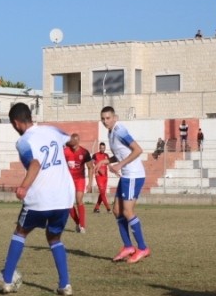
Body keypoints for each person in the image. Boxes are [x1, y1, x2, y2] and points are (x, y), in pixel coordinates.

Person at [0, 103, 75, 296]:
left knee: (21, 231)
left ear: (17, 123)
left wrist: (23, 187)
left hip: (40, 197)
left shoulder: (24, 141)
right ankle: (65, 285)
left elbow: (35, 164)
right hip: (64, 197)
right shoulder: (51, 130)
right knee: (54, 238)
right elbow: (73, 140)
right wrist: (70, 145)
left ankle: (7, 280)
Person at [94, 106, 150, 264]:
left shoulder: (119, 131)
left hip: (134, 175)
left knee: (127, 211)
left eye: (108, 118)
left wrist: (119, 165)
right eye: (103, 118)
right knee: (117, 210)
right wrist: (106, 160)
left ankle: (143, 248)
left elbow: (137, 150)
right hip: (126, 175)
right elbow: (121, 153)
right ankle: (128, 246)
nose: (105, 121)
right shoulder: (111, 131)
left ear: (115, 117)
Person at [63, 133, 94, 233]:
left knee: (79, 200)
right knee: (68, 203)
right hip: (68, 180)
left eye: (74, 143)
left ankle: (83, 226)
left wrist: (90, 183)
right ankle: (77, 223)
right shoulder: (65, 151)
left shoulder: (84, 152)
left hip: (80, 179)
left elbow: (90, 167)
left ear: (78, 141)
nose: (73, 146)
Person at [92, 142, 112, 213]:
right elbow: (92, 164)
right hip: (99, 177)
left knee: (102, 193)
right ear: (99, 148)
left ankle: (96, 208)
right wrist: (97, 170)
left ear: (105, 148)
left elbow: (109, 164)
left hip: (105, 176)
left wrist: (114, 170)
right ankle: (108, 208)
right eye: (101, 148)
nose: (102, 149)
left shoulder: (106, 155)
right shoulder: (95, 155)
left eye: (103, 148)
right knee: (103, 193)